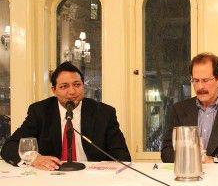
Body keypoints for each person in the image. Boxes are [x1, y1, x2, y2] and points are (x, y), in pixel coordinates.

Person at [0, 62, 131, 170]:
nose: (72, 91)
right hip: (51, 178)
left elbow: (122, 156)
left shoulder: (103, 113)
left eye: (77, 85)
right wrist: (35, 159)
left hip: (92, 179)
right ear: (54, 90)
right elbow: (9, 147)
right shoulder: (40, 111)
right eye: (64, 86)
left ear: (83, 86)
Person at [161, 53, 218, 163]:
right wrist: (192, 159)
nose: (200, 87)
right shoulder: (178, 110)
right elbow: (166, 152)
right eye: (195, 80)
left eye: (205, 80)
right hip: (187, 175)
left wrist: (213, 160)